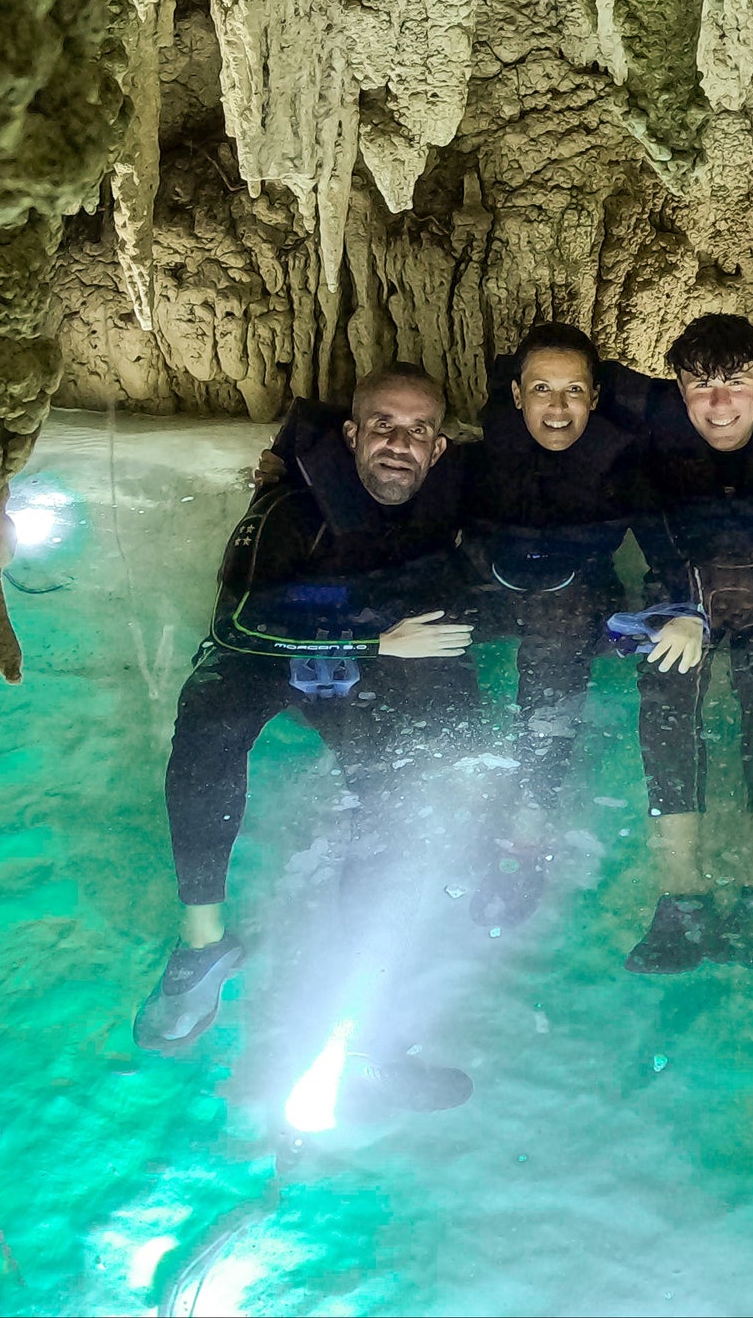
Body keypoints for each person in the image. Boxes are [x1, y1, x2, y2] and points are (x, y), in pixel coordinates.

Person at [135, 365, 476, 1096]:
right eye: (383, 425)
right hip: (270, 661)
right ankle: (203, 945)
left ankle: (373, 1025)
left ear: (438, 448)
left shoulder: (444, 508)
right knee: (210, 715)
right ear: (351, 434)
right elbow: (234, 622)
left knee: (394, 788)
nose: (399, 443)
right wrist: (373, 643)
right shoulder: (294, 505)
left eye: (417, 431)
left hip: (353, 675)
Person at [601, 313, 753, 975]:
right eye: (701, 385)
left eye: (737, 382)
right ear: (678, 389)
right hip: (684, 581)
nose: (720, 403)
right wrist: (684, 609)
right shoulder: (651, 456)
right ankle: (683, 895)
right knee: (667, 683)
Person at [456, 321, 657, 925]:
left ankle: (528, 824)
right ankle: (461, 790)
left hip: (576, 598)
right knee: (427, 632)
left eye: (574, 391)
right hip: (491, 588)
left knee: (556, 642)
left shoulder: (624, 463)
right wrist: (284, 457)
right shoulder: (479, 458)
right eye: (542, 389)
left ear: (595, 397)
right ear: (516, 395)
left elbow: (703, 401)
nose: (559, 408)